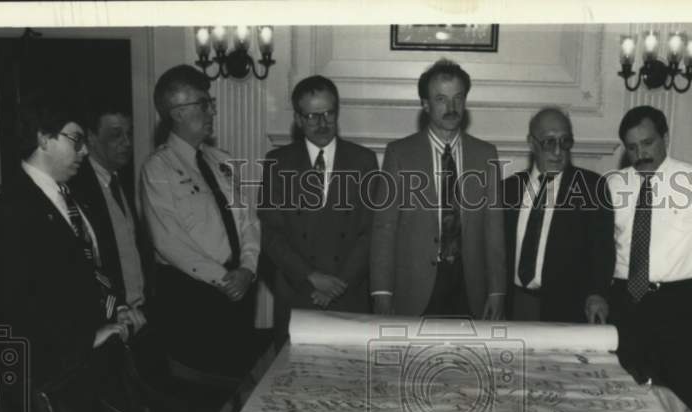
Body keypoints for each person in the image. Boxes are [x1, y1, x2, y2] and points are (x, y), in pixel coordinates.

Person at [0, 99, 127, 399]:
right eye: (76, 140)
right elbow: (14, 310)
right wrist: (86, 340)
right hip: (57, 377)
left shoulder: (75, 199)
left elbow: (93, 270)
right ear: (44, 138)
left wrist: (118, 311)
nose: (84, 151)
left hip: (99, 365)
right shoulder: (8, 210)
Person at [607, 105, 692, 412]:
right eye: (632, 148)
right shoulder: (614, 184)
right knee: (625, 400)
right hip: (626, 304)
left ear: (665, 137)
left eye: (647, 143)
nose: (640, 154)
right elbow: (605, 247)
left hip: (679, 306)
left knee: (684, 402)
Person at [140, 65, 260, 372]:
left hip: (239, 290)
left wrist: (247, 269)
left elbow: (248, 221)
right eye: (204, 104)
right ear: (178, 112)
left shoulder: (222, 161)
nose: (212, 112)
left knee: (237, 379)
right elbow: (169, 241)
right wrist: (224, 278)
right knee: (198, 385)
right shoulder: (158, 168)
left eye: (211, 103)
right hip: (192, 296)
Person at [370, 59, 506, 319]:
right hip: (414, 287)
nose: (451, 108)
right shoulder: (399, 154)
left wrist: (497, 291)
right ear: (425, 104)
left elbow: (494, 230)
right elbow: (384, 228)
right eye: (441, 99)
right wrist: (382, 291)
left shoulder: (485, 154)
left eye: (458, 98)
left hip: (470, 288)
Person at [260, 75, 377, 334]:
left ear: (337, 112)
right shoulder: (278, 163)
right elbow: (271, 234)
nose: (322, 123)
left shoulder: (363, 161)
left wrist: (338, 284)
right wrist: (310, 277)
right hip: (298, 292)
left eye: (328, 113)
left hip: (348, 294)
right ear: (298, 119)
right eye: (312, 116)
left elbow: (369, 232)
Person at [502, 106, 614, 323]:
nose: (557, 151)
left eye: (565, 142)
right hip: (514, 306)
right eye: (549, 142)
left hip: (567, 310)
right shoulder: (507, 189)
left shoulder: (592, 187)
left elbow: (603, 252)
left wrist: (597, 293)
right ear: (531, 143)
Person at [70, 101, 151, 335]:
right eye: (116, 135)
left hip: (139, 315)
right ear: (91, 138)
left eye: (129, 133)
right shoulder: (77, 188)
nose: (127, 142)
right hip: (108, 320)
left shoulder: (122, 180)